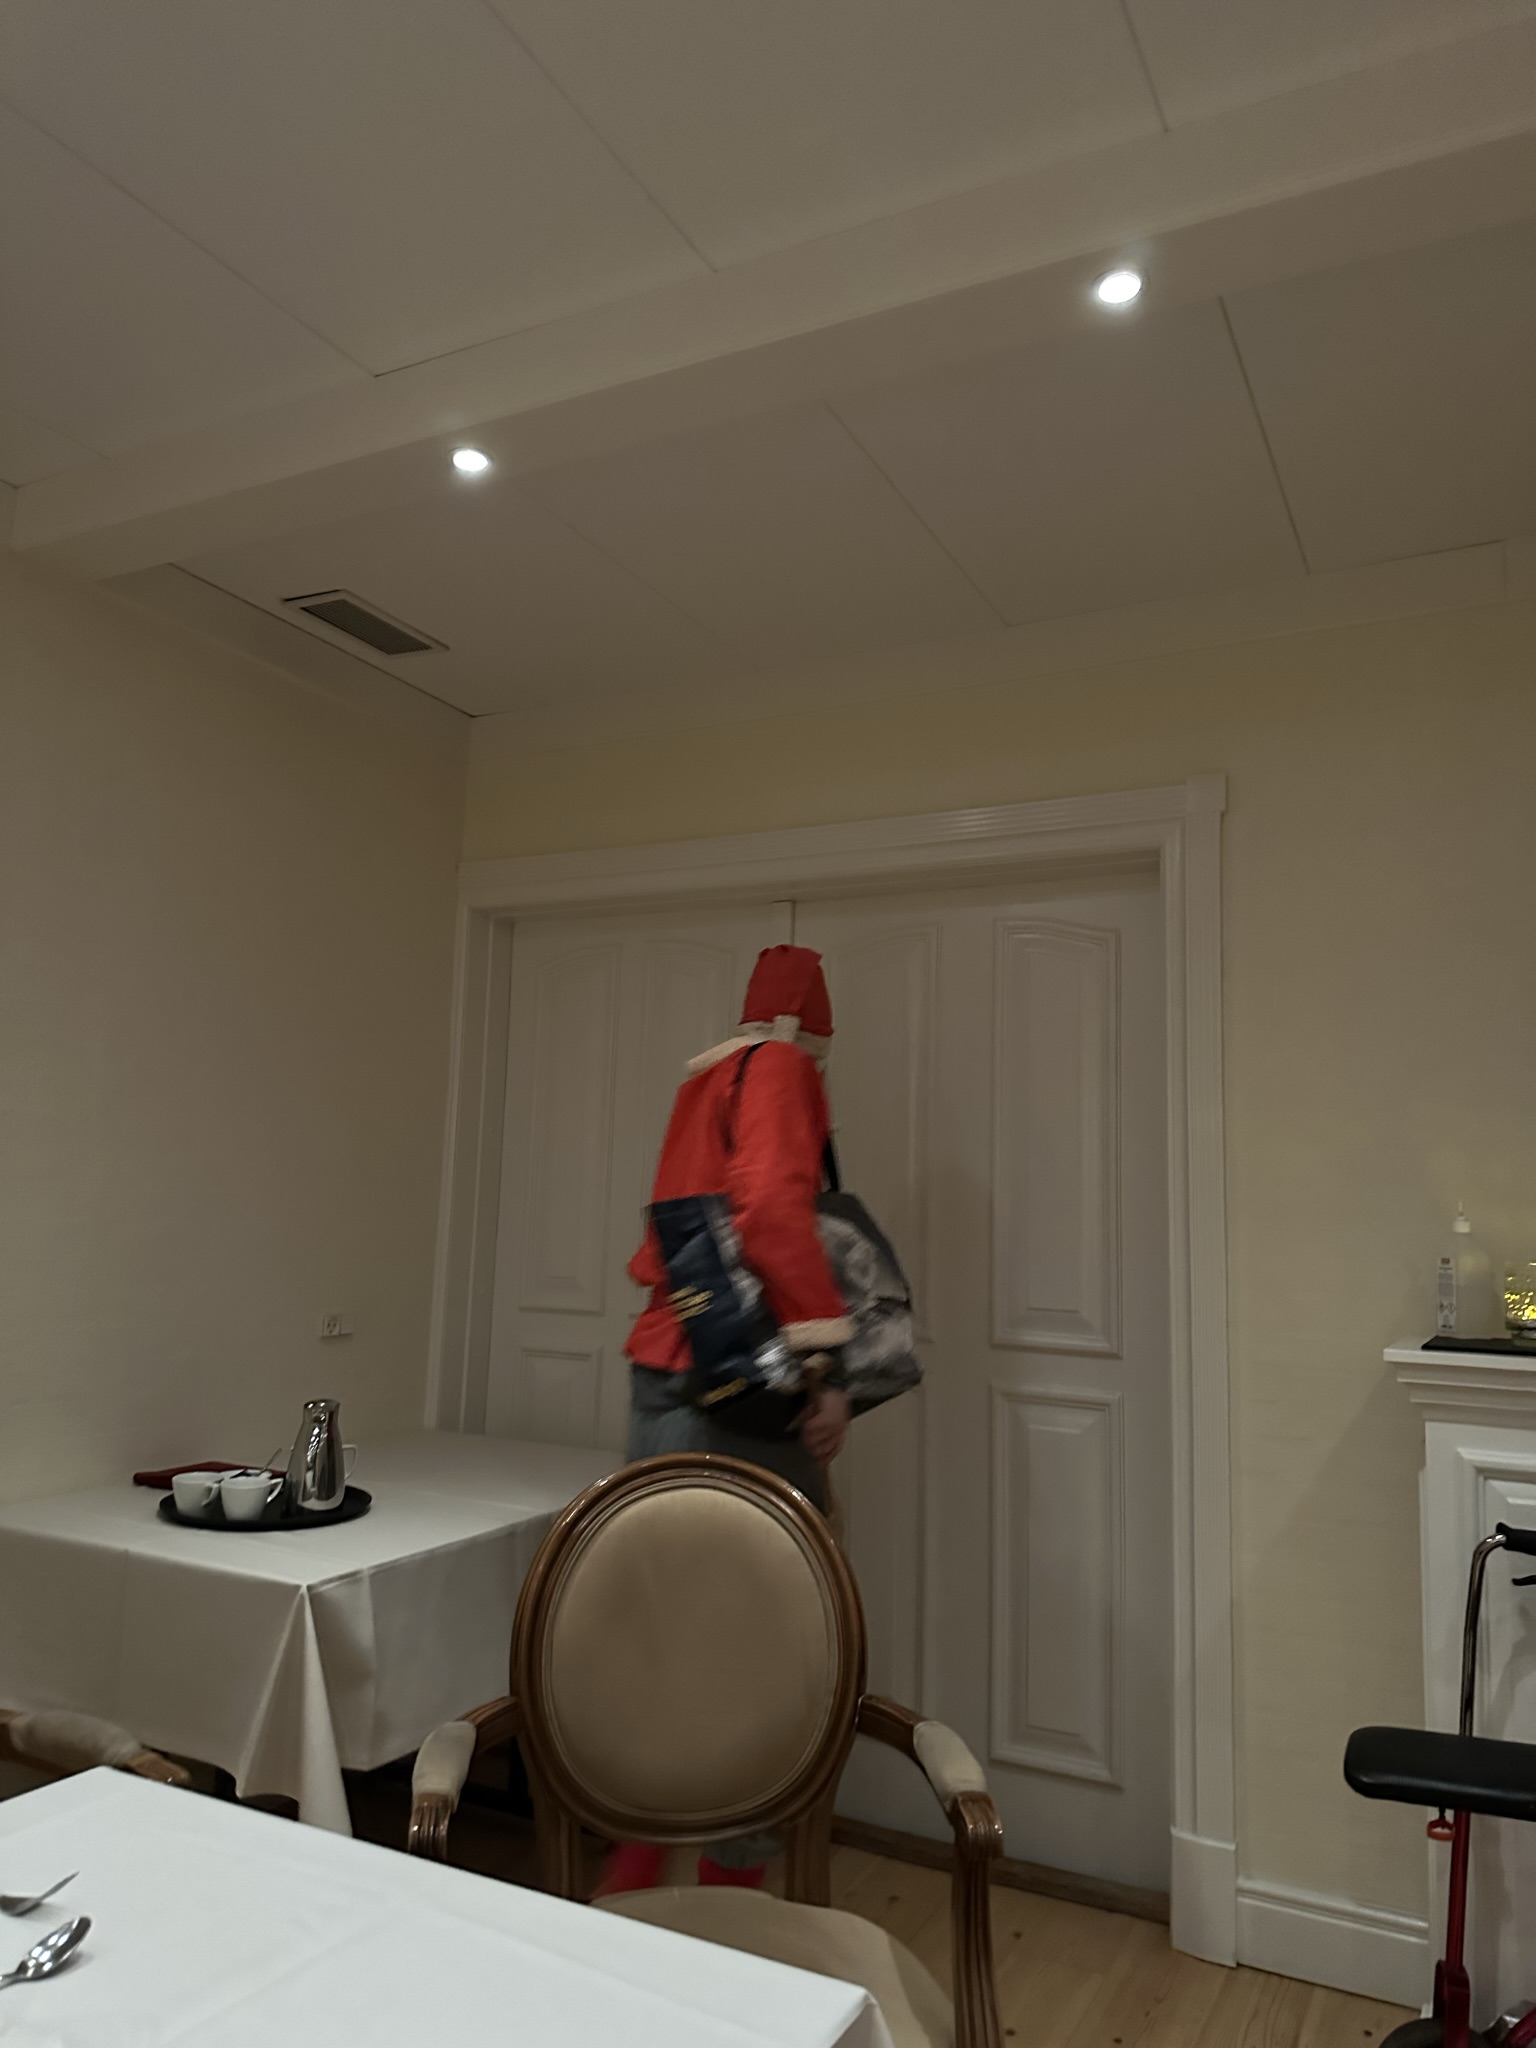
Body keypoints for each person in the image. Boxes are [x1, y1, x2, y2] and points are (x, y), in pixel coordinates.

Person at [594, 944, 852, 1899]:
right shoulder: (781, 1068)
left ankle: (634, 1855)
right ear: (811, 1025)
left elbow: (687, 1228)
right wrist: (824, 1365)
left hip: (666, 1363)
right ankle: (733, 1877)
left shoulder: (706, 1081)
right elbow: (773, 1211)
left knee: (660, 1615)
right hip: (742, 1384)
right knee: (764, 1634)